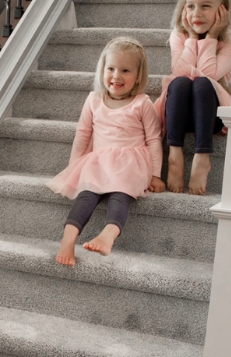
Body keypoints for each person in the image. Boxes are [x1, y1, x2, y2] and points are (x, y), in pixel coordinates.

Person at [48, 37, 165, 266]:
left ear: (138, 76)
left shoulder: (142, 103)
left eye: (125, 70)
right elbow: (82, 135)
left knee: (121, 195)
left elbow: (154, 140)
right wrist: (75, 167)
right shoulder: (94, 100)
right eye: (111, 68)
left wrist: (156, 174)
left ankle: (108, 235)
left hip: (130, 162)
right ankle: (68, 239)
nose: (116, 76)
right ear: (102, 69)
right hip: (99, 162)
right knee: (86, 195)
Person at [154, 0, 231, 195]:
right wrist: (192, 37)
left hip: (209, 116)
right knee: (181, 83)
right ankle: (175, 156)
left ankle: (202, 157)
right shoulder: (179, 36)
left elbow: (208, 74)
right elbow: (180, 71)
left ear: (223, 10)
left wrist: (212, 36)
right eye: (191, 6)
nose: (196, 13)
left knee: (202, 83)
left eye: (205, 6)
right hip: (178, 114)